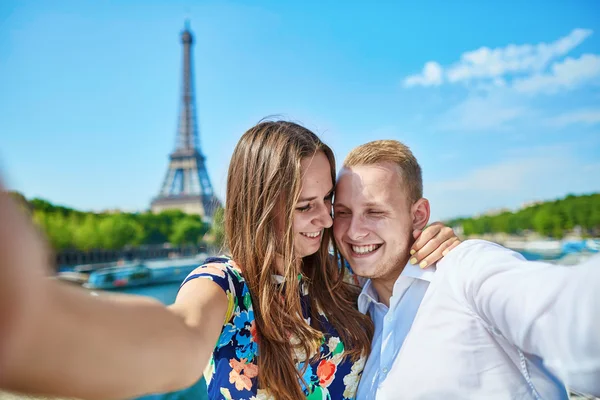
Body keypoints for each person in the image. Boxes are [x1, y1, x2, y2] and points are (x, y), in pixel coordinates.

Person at [0, 121, 459, 400]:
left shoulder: (336, 279)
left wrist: (421, 241)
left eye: (328, 200)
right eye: (304, 206)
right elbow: (174, 341)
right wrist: (25, 325)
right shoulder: (222, 286)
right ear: (260, 205)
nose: (326, 218)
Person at [332, 139, 600, 399]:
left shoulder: (465, 270)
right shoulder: (355, 310)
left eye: (375, 212)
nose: (354, 231)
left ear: (418, 216)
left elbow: (569, 315)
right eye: (343, 212)